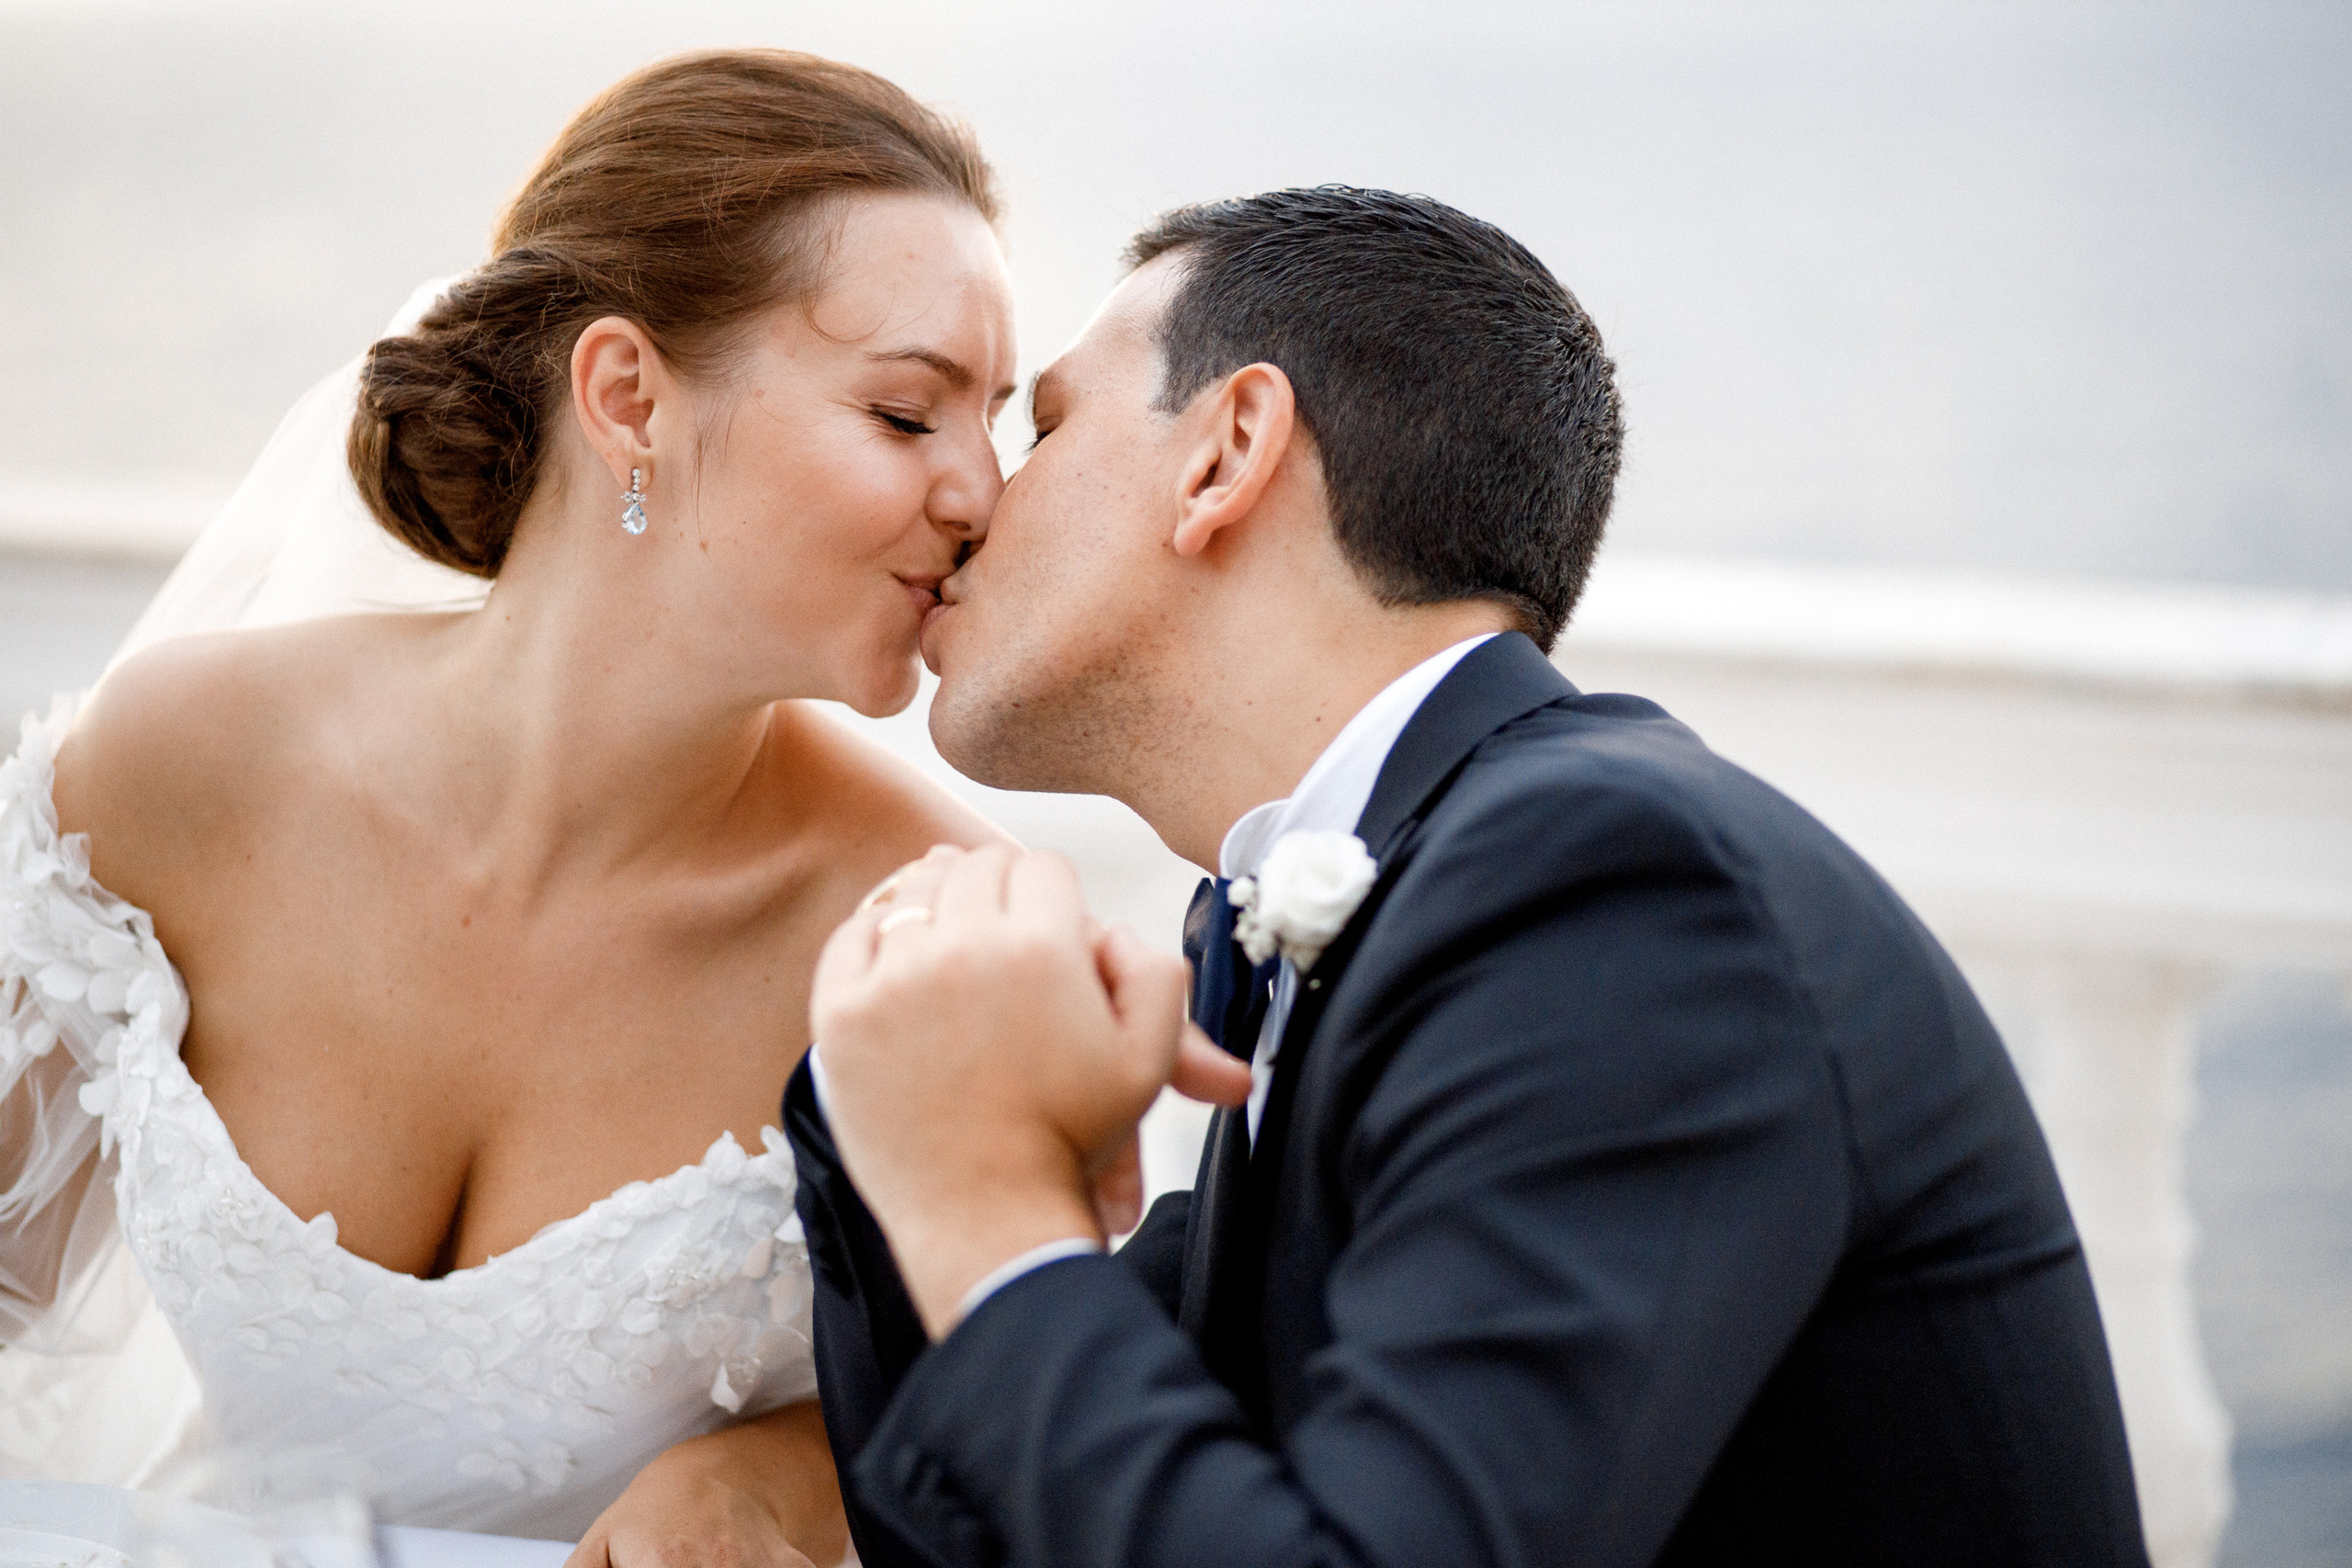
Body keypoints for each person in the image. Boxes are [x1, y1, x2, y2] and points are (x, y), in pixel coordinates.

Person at [787, 187, 2154, 1565]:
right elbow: (1008, 1535)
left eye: (1044, 429)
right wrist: (892, 1085)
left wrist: (988, 1205)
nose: (974, 503)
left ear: (1227, 454)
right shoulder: (1410, 893)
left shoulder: (1618, 896)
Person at [0, 49, 1018, 1563]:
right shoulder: (178, 765)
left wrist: (781, 1473)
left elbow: (1007, 1433)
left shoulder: (936, 931)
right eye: (909, 414)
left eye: (997, 422)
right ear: (627, 397)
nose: (983, 494)